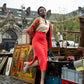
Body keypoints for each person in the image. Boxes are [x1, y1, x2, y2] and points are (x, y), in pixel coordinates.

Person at [24, 6, 52, 84]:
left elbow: (48, 35)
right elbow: (29, 30)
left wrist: (49, 44)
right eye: (40, 11)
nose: (42, 11)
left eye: (43, 10)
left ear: (45, 11)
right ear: (39, 13)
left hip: (44, 42)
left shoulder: (49, 22)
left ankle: (41, 81)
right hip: (36, 40)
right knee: (41, 61)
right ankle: (28, 65)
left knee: (44, 61)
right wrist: (33, 38)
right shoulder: (38, 19)